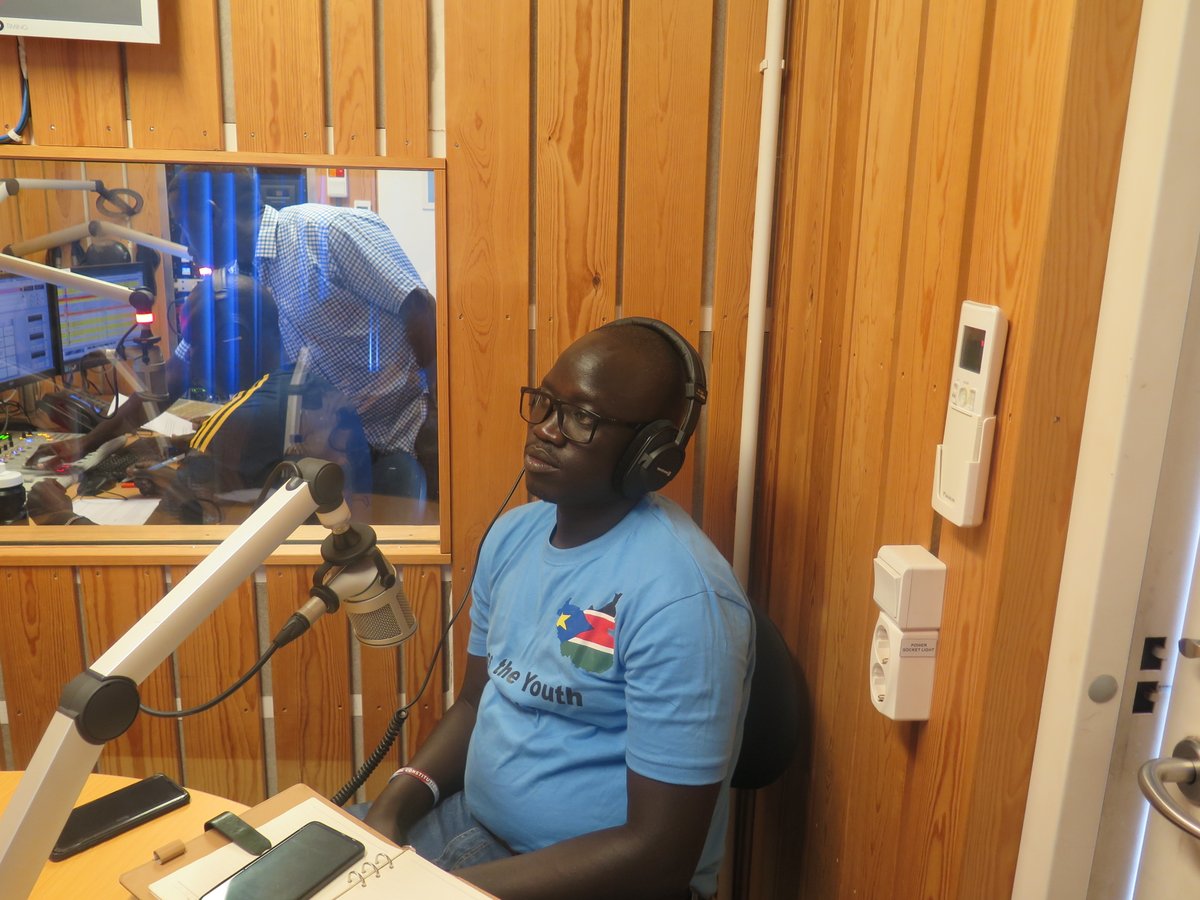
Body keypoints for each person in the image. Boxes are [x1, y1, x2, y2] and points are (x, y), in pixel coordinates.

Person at [363, 318, 754, 899]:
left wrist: (443, 893)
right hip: (473, 832)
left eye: (581, 418)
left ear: (651, 455)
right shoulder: (512, 537)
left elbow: (658, 856)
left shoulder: (682, 602)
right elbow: (474, 702)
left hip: (604, 883)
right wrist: (394, 806)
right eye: (545, 402)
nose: (545, 429)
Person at [169, 166, 438, 500]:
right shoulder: (238, 280)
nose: (184, 243)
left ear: (211, 214)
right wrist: (109, 434)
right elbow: (181, 365)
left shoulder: (325, 231)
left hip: (412, 434)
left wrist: (439, 410)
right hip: (348, 448)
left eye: (183, 226)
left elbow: (421, 308)